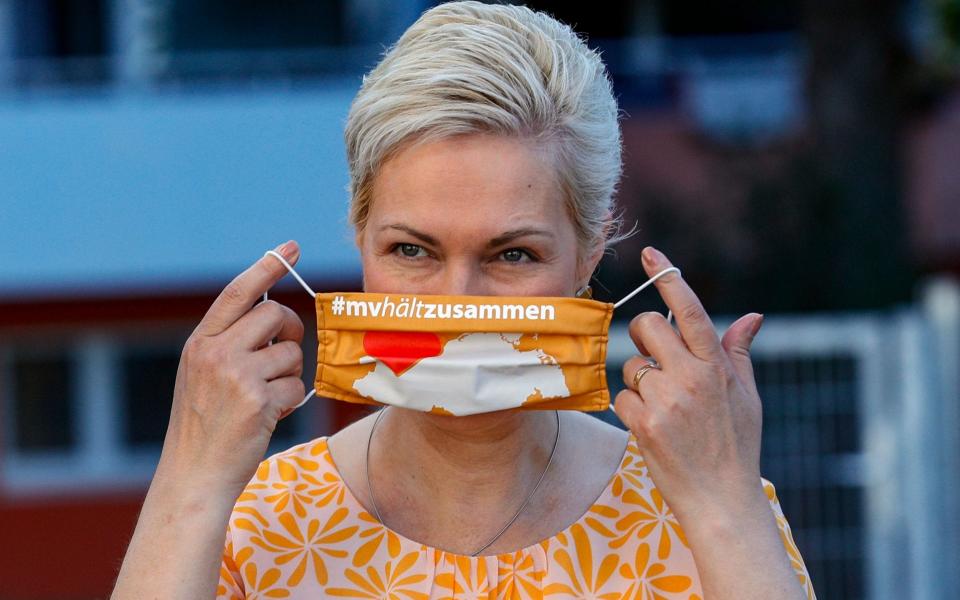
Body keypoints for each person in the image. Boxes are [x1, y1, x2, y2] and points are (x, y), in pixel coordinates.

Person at [112, 2, 816, 598]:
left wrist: (724, 506)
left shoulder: (706, 515)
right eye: (412, 251)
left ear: (589, 256)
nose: (457, 303)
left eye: (513, 255)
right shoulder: (253, 525)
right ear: (360, 238)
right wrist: (189, 477)